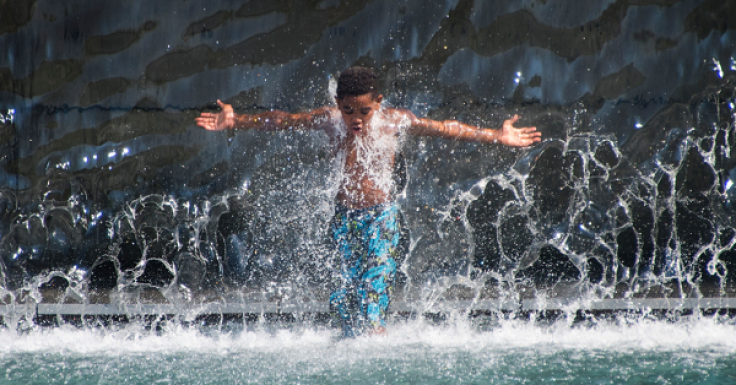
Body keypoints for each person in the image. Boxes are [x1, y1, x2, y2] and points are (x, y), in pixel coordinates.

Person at [195, 66, 541, 338]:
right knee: (345, 296)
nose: (355, 119)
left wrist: (496, 135)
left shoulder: (393, 122)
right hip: (344, 217)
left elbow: (446, 127)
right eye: (347, 110)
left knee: (374, 287)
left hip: (381, 218)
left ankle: (376, 344)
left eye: (363, 110)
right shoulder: (330, 122)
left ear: (379, 102)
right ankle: (353, 348)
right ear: (337, 105)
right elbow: (282, 121)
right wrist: (236, 120)